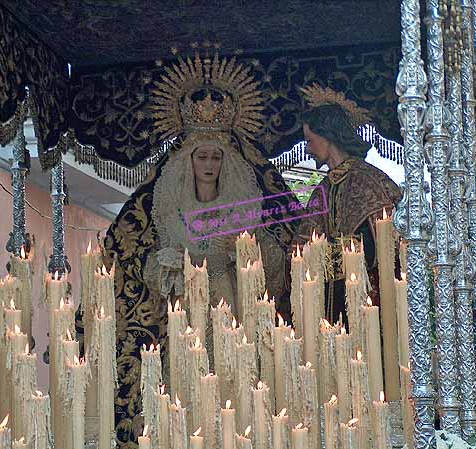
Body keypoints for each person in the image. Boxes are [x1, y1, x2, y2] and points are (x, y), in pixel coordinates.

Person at [101, 51, 295, 446]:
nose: (208, 164)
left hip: (230, 304)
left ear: (226, 163)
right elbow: (149, 269)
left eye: (215, 157)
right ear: (189, 162)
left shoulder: (242, 208)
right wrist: (167, 264)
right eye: (202, 156)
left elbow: (272, 272)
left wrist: (251, 253)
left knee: (236, 391)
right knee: (184, 397)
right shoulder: (170, 209)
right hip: (187, 311)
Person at [295, 84, 402, 323]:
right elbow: (302, 245)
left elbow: (385, 243)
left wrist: (335, 252)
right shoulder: (322, 189)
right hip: (330, 301)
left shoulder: (367, 180)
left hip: (368, 299)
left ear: (327, 136)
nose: (308, 149)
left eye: (310, 141)